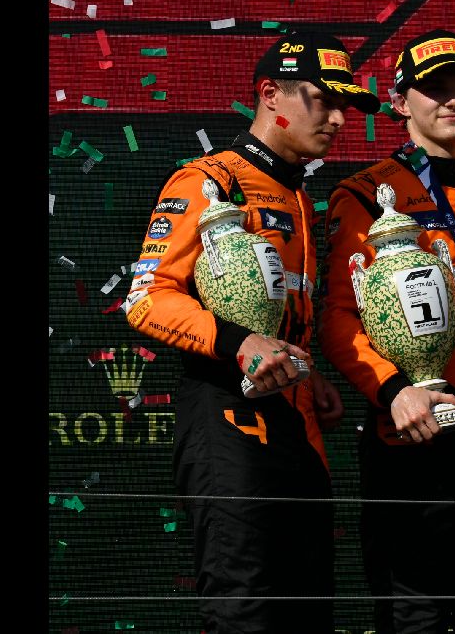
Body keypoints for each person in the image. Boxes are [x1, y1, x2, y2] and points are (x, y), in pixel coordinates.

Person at [122, 31, 380, 634]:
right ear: (270, 94)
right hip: (226, 414)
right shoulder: (210, 180)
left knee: (308, 608)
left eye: (346, 106)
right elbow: (146, 298)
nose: (339, 120)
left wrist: (306, 374)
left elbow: (279, 314)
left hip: (296, 423)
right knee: (248, 609)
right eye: (324, 101)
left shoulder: (299, 194)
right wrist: (241, 343)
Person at [318, 29, 455, 633]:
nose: (452, 99)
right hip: (411, 436)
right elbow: (337, 317)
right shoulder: (366, 196)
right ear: (400, 101)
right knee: (415, 621)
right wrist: (393, 390)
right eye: (434, 88)